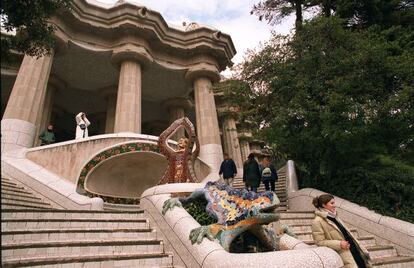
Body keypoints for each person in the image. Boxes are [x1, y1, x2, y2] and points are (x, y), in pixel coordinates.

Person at [311, 194, 368, 268]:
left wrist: (362, 249)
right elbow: (319, 242)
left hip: (355, 250)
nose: (335, 205)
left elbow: (348, 234)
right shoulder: (317, 221)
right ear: (324, 205)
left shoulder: (335, 217)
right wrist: (339, 244)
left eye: (334, 203)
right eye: (332, 203)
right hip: (345, 254)